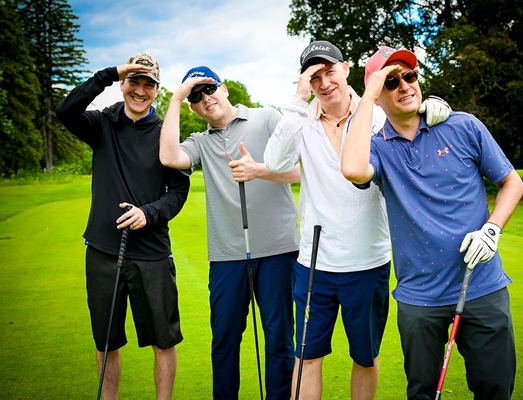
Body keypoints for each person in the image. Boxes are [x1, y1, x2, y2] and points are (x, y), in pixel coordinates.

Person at [263, 40, 450, 400]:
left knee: (365, 357)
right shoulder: (300, 120)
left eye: (329, 71)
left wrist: (431, 109)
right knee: (307, 356)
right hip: (314, 262)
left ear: (346, 68)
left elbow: (412, 120)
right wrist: (298, 101)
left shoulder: (377, 115)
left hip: (369, 262)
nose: (324, 82)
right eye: (314, 76)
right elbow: (273, 162)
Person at [341, 46, 523, 400]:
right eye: (391, 82)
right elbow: (352, 168)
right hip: (419, 297)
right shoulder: (377, 148)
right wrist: (368, 95)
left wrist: (492, 229)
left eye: (409, 75)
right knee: (422, 392)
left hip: (482, 286)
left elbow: (511, 182)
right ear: (378, 96)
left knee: (495, 388)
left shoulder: (464, 125)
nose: (405, 86)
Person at [159, 65, 300, 400]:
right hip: (227, 256)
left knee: (279, 337)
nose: (205, 99)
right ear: (192, 107)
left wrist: (258, 170)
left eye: (208, 89)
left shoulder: (266, 118)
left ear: (223, 89)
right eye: (195, 97)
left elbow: (300, 171)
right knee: (224, 339)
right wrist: (175, 100)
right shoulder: (199, 142)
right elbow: (168, 156)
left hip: (278, 249)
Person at [55, 53, 190, 400]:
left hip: (153, 255)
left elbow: (178, 190)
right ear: (123, 83)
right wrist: (108, 73)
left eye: (148, 84)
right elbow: (64, 111)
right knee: (107, 341)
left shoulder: (165, 133)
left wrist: (150, 213)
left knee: (164, 340)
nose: (140, 91)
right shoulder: (101, 123)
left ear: (157, 90)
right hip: (103, 252)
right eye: (134, 81)